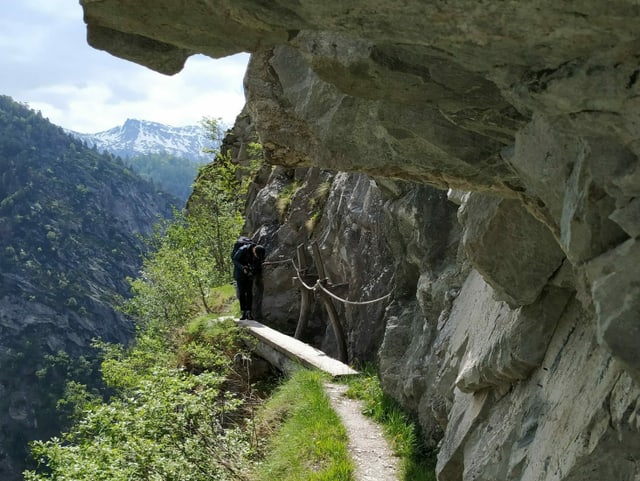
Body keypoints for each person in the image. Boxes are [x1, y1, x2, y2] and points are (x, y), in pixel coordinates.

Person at [232, 241, 266, 320]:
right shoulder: (243, 249)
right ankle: (243, 312)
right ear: (254, 250)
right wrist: (243, 268)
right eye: (256, 255)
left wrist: (252, 272)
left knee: (249, 292)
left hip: (249, 274)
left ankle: (249, 312)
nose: (256, 257)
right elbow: (234, 260)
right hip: (239, 273)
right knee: (242, 293)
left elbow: (257, 265)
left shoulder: (258, 254)